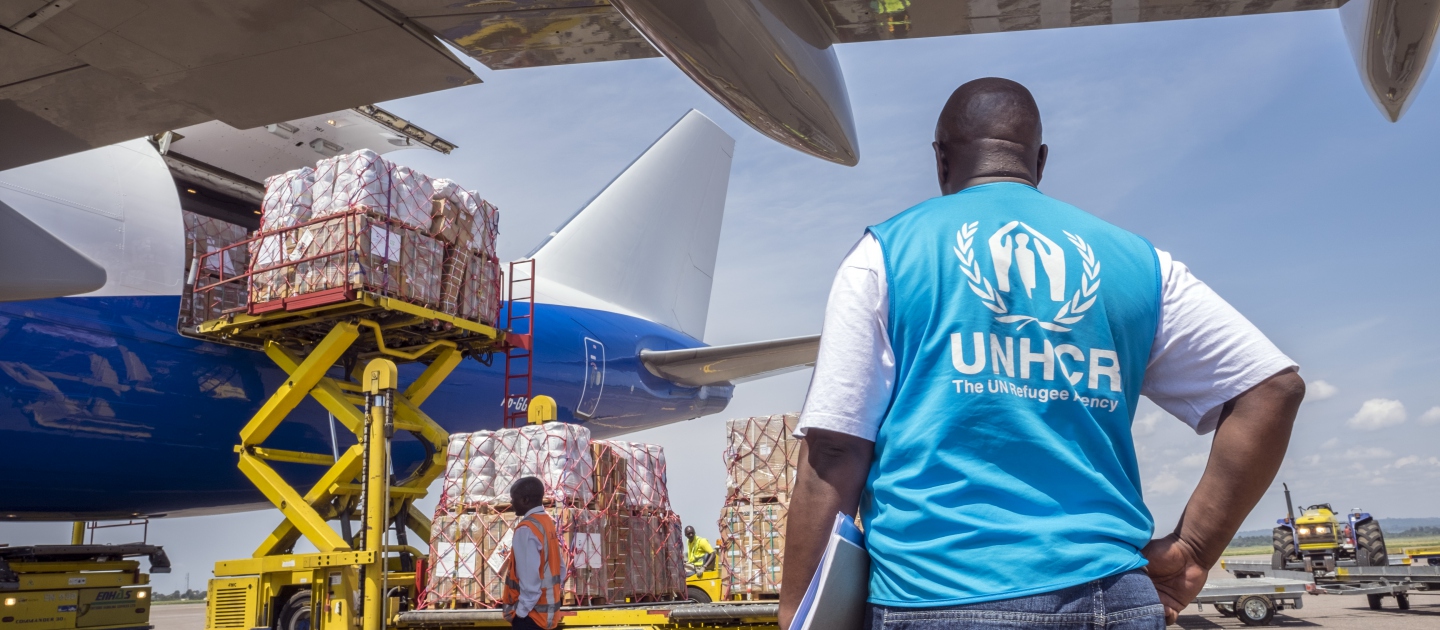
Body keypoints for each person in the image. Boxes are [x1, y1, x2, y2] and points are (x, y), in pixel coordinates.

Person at [778, 78, 1305, 629]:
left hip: (941, 594)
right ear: (1040, 161)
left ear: (941, 158)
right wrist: (1194, 548)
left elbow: (835, 451)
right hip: (1113, 598)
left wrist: (797, 616)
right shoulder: (1139, 264)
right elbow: (1274, 388)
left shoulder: (886, 255)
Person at [501, 477, 566, 630]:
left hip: (531, 617)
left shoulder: (526, 529)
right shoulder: (546, 522)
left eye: (513, 499)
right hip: (548, 615)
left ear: (525, 500)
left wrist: (521, 613)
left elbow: (530, 582)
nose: (511, 504)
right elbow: (561, 569)